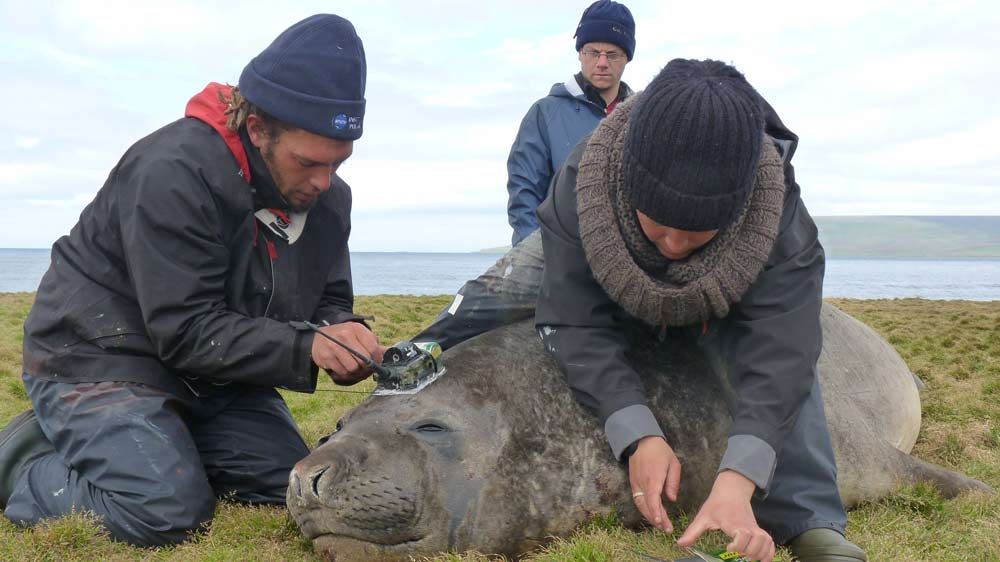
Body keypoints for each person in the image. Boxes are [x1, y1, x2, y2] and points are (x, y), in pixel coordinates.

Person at [0, 14, 383, 547]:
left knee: (302, 489)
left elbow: (329, 298)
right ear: (257, 129)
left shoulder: (326, 199)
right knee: (165, 511)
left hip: (216, 377)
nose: (323, 182)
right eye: (308, 163)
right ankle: (22, 456)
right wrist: (307, 347)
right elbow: (183, 330)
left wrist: (343, 331)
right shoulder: (173, 171)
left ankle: (161, 443)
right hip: (99, 359)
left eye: (339, 163)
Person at [533, 59, 867, 562]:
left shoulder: (781, 222)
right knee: (499, 293)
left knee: (791, 367)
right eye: (658, 225)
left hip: (718, 306)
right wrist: (636, 432)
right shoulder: (582, 180)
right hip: (607, 280)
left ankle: (810, 518)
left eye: (696, 234)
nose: (671, 245)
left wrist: (738, 480)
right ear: (628, 184)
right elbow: (573, 316)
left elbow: (784, 351)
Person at [506, 0, 635, 247]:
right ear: (580, 53)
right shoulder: (544, 113)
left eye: (612, 54)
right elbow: (524, 195)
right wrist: (543, 259)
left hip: (624, 264)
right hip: (561, 261)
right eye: (593, 52)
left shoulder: (642, 117)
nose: (602, 63)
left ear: (627, 57)